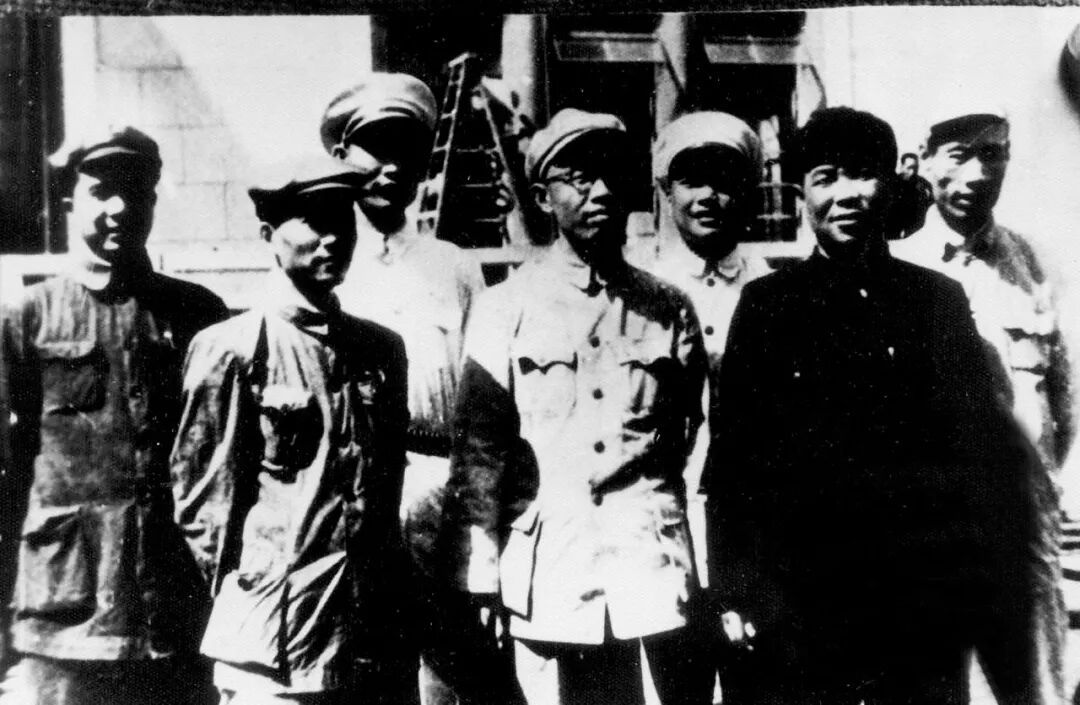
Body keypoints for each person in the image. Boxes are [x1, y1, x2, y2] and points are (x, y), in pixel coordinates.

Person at [704, 107, 1040, 704]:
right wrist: (736, 594)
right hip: (799, 609)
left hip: (916, 610)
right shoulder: (768, 306)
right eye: (825, 177)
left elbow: (974, 460)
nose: (846, 195)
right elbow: (734, 470)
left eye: (862, 173)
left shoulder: (936, 302)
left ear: (891, 182)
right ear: (802, 195)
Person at [441, 108, 713, 705]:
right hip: (553, 570)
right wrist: (482, 575)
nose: (602, 192)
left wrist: (702, 568)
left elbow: (692, 445)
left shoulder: (669, 307)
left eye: (613, 176)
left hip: (651, 567)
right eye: (580, 178)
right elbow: (480, 455)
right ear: (543, 197)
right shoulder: (505, 307)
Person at [170, 156, 412, 705]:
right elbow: (203, 506)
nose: (333, 239)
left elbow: (384, 490)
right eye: (314, 222)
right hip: (273, 641)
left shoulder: (380, 350)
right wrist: (254, 592)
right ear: (268, 237)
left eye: (342, 222)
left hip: (371, 635)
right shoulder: (231, 348)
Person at [0, 125, 228, 705]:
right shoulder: (28, 317)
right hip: (65, 616)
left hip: (177, 609)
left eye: (136, 192)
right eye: (102, 191)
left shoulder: (197, 314)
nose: (120, 208)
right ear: (70, 202)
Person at [319, 75, 499, 705]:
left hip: (436, 494)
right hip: (351, 494)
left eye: (406, 151)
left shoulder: (454, 266)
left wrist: (482, 535)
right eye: (375, 148)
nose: (391, 167)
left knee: (446, 677)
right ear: (340, 155)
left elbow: (484, 414)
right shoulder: (322, 262)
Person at [892, 106, 1072, 704]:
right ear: (924, 161)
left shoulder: (1034, 266)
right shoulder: (896, 268)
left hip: (1023, 531)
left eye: (992, 154)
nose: (977, 174)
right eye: (959, 155)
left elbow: (1064, 404)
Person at [649, 111, 771, 703]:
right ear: (665, 190)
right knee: (680, 687)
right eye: (690, 180)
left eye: (724, 181)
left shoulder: (772, 290)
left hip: (751, 529)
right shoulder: (642, 292)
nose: (707, 196)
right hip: (666, 527)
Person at [893, 152, 934, 237]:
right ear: (901, 166)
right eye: (908, 167)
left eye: (913, 168)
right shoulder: (893, 183)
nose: (911, 171)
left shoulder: (923, 184)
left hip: (914, 231)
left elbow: (932, 201)